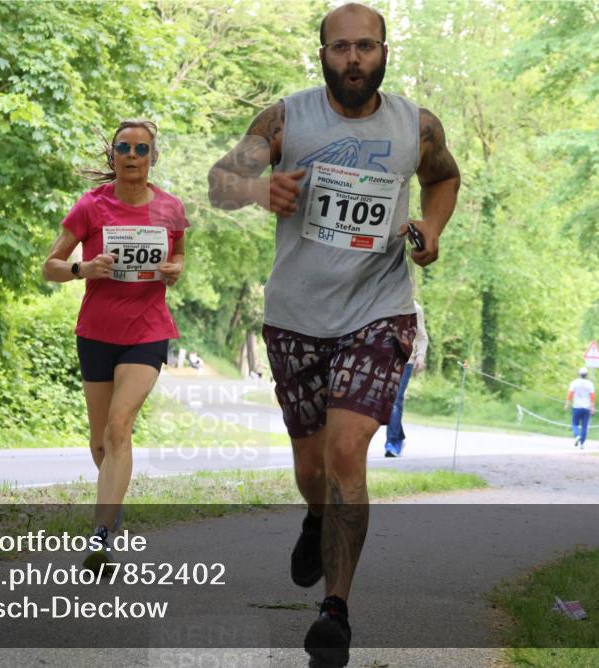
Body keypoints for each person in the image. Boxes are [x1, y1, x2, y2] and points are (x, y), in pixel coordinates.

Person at [208, 4, 460, 666]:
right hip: (295, 316)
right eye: (341, 47)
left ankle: (335, 609)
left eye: (366, 47)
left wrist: (430, 233)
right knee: (311, 465)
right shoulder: (285, 119)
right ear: (321, 53)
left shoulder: (416, 125)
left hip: (380, 309)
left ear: (384, 50)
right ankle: (317, 517)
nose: (354, 59)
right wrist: (259, 191)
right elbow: (220, 183)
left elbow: (444, 178)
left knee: (348, 452)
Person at [42, 119, 188, 569]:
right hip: (98, 331)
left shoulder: (170, 208)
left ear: (152, 157)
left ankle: (101, 534)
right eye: (124, 147)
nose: (131, 155)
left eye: (141, 149)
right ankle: (114, 502)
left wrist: (174, 269)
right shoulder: (91, 206)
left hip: (148, 330)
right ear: (113, 156)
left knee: (119, 425)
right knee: (100, 440)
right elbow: (50, 265)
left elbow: (179, 254)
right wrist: (83, 270)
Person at [384, 300, 428, 457]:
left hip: (406, 361)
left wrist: (420, 357)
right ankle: (399, 437)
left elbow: (422, 337)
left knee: (396, 400)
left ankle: (393, 443)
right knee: (387, 401)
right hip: (385, 361)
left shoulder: (415, 308)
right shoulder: (383, 304)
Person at [564, 367, 595, 449]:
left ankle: (577, 435)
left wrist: (567, 403)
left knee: (574, 423)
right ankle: (582, 443)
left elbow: (570, 393)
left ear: (579, 374)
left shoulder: (574, 383)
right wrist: (592, 407)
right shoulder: (590, 384)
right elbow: (592, 396)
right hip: (586, 407)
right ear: (586, 375)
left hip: (577, 406)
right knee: (585, 425)